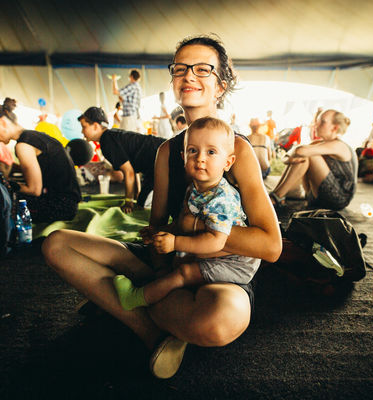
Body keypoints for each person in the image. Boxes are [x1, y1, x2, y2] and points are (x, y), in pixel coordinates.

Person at [42, 34, 281, 380]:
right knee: (57, 244)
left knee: (218, 320)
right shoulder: (167, 152)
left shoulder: (238, 151)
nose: (189, 76)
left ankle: (123, 300)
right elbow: (157, 228)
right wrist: (161, 255)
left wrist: (193, 229)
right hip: (171, 262)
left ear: (221, 85)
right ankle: (151, 329)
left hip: (220, 276)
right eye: (180, 68)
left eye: (203, 69)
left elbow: (270, 246)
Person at [113, 117, 261, 310]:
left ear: (228, 162)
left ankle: (136, 298)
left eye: (211, 152)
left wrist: (175, 242)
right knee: (176, 263)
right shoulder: (195, 189)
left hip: (234, 262)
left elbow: (216, 241)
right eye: (193, 151)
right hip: (215, 252)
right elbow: (183, 223)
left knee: (183, 272)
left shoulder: (221, 199)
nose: (200, 158)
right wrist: (163, 231)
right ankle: (165, 298)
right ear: (183, 157)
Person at [0, 98, 81, 223]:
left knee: (5, 198)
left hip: (60, 207)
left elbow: (34, 190)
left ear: (3, 123)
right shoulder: (33, 136)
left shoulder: (23, 145)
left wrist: (7, 183)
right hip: (69, 203)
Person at [78, 107, 166, 211]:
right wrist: (136, 195)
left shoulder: (107, 142)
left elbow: (128, 172)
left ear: (96, 126)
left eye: (84, 127)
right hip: (156, 164)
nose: (82, 131)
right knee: (141, 202)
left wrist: (128, 202)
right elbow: (132, 169)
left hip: (165, 160)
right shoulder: (113, 135)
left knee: (147, 205)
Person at [270, 109, 357, 211]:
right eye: (317, 121)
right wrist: (289, 159)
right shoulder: (319, 144)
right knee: (305, 153)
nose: (315, 124)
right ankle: (276, 194)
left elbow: (300, 151)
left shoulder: (339, 145)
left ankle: (276, 197)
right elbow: (290, 154)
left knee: (308, 155)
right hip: (317, 195)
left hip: (339, 199)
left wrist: (292, 156)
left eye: (322, 122)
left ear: (335, 128)